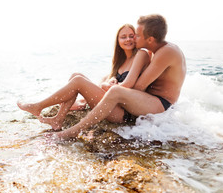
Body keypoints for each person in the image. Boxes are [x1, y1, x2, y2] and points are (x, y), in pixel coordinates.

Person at [47, 14, 186, 139]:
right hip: (146, 101)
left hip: (161, 104)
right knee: (80, 78)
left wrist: (109, 87)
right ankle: (57, 116)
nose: (133, 38)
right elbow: (125, 77)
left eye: (136, 35)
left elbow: (138, 87)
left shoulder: (166, 52)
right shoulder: (152, 51)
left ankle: (72, 131)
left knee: (115, 90)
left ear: (149, 39)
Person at [17, 24, 151, 130]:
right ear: (118, 41)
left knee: (78, 81)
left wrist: (107, 85)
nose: (127, 39)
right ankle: (58, 119)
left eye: (131, 36)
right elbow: (107, 82)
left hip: (123, 113)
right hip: (111, 105)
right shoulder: (120, 62)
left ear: (137, 37)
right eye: (123, 37)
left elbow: (129, 85)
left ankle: (38, 106)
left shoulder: (141, 54)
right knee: (76, 75)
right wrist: (110, 81)